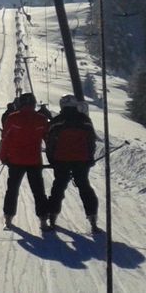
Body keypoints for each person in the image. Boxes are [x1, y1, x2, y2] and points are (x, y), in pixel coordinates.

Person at [45, 95, 100, 233]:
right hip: (81, 160)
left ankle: (52, 217)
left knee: (58, 187)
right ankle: (92, 219)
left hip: (61, 160)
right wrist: (89, 158)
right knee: (84, 187)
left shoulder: (56, 121)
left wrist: (52, 159)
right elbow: (91, 141)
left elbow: (50, 142)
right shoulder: (85, 120)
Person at [0, 92, 51, 230]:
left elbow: (5, 139)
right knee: (38, 191)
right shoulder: (41, 119)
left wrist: (3, 157)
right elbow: (49, 139)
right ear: (34, 104)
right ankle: (43, 220)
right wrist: (53, 158)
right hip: (34, 161)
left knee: (12, 190)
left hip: (15, 161)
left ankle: (8, 219)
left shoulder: (12, 118)